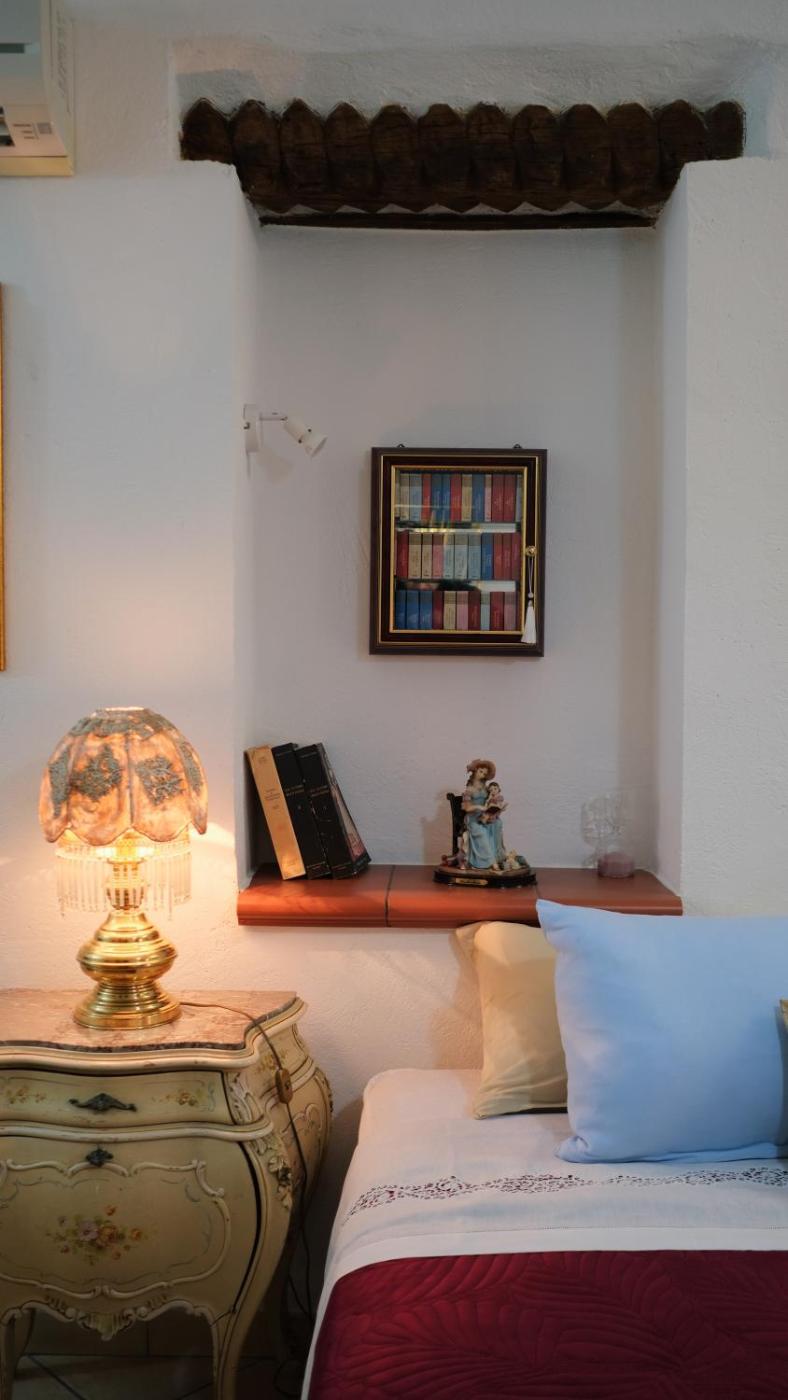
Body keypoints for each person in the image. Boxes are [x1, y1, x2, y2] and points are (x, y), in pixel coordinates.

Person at [461, 759, 505, 871]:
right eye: (481, 771)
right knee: (481, 831)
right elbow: (466, 808)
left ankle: (498, 856)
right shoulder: (469, 790)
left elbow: (490, 800)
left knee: (497, 823)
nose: (483, 775)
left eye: (485, 773)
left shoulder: (485, 788)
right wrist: (479, 807)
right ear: (475, 771)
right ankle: (491, 861)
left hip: (485, 815)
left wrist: (496, 807)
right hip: (473, 817)